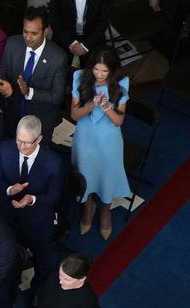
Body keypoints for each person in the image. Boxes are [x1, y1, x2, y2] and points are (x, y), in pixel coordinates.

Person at [0, 115, 63, 294]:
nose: (21, 147)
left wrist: (32, 199)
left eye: (27, 143)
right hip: (7, 212)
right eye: (18, 140)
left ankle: (38, 293)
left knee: (44, 260)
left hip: (37, 217)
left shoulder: (53, 163)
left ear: (39, 139)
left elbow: (54, 196)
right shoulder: (3, 149)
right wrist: (9, 190)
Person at [70, 46, 130, 240]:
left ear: (112, 70)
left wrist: (106, 107)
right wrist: (91, 105)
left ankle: (105, 211)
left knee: (107, 176)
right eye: (96, 69)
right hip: (85, 136)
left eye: (105, 71)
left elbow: (118, 121)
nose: (100, 74)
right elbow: (74, 115)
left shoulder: (122, 82)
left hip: (109, 140)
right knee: (85, 173)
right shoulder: (80, 77)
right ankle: (88, 208)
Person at [0, 7, 68, 141]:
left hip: (40, 122)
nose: (28, 37)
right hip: (11, 115)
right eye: (25, 31)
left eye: (34, 33)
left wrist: (29, 92)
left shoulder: (58, 58)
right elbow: (2, 72)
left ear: (45, 31)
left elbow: (57, 96)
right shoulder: (12, 44)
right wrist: (6, 85)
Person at [49, 0, 110, 64]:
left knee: (96, 67)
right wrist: (70, 42)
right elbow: (54, 20)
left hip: (92, 39)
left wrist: (85, 45)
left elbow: (104, 22)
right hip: (63, 38)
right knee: (57, 66)